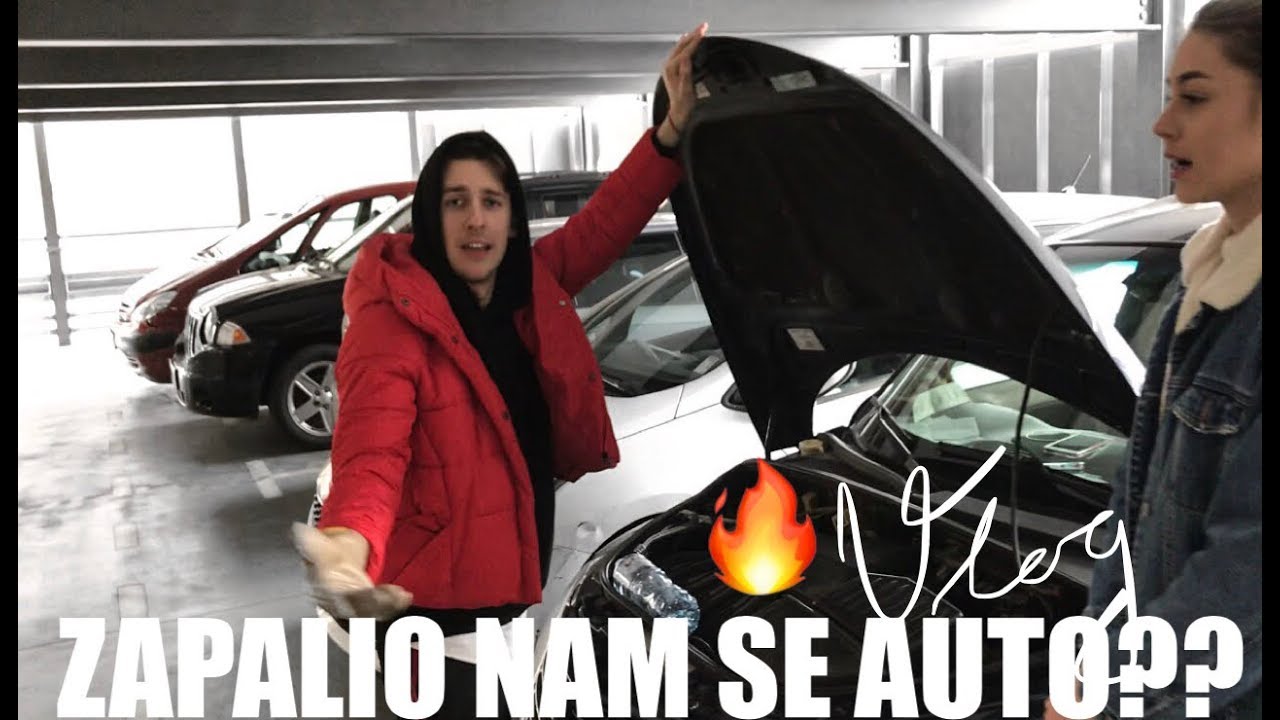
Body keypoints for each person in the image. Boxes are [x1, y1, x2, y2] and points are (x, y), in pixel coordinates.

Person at [291, 23, 708, 718]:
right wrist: (346, 543)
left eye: (491, 201)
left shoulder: (525, 289)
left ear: (514, 218)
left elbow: (603, 226)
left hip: (500, 602)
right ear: (430, 218)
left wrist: (667, 137)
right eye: (456, 201)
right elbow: (371, 456)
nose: (475, 220)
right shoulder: (392, 325)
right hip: (436, 627)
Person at [1046, 1, 1261, 718]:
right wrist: (1092, 661)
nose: (1162, 125)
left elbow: (1245, 578)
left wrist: (1105, 692)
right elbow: (1133, 507)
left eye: (1194, 98)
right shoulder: (1205, 284)